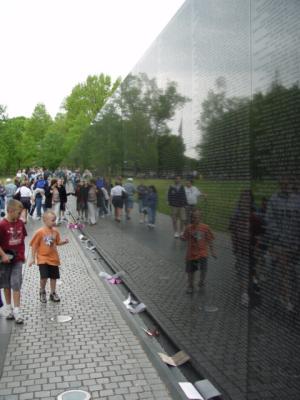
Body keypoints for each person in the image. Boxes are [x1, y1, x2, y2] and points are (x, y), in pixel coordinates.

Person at [29, 210, 69, 303]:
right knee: (44, 277)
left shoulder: (55, 231)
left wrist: (64, 242)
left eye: (55, 220)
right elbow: (34, 245)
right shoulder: (40, 232)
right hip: (42, 258)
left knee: (53, 277)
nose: (54, 222)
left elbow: (57, 242)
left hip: (53, 258)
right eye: (52, 220)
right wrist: (32, 258)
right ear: (45, 221)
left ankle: (53, 293)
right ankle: (42, 291)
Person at [0, 199, 27, 323]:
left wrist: (23, 254)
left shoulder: (20, 223)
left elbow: (22, 240)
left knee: (16, 284)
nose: (20, 215)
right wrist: (3, 255)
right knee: (6, 285)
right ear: (10, 211)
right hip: (5, 260)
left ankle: (17, 311)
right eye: (18, 212)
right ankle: (8, 308)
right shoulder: (2, 225)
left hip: (17, 259)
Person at [181, 209, 216, 294]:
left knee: (203, 269)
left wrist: (212, 251)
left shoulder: (205, 228)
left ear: (201, 217)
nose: (195, 219)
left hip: (202, 253)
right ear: (191, 218)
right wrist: (182, 238)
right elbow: (184, 238)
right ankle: (190, 286)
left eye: (197, 217)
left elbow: (210, 239)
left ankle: (201, 281)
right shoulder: (188, 228)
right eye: (193, 217)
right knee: (190, 271)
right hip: (191, 254)